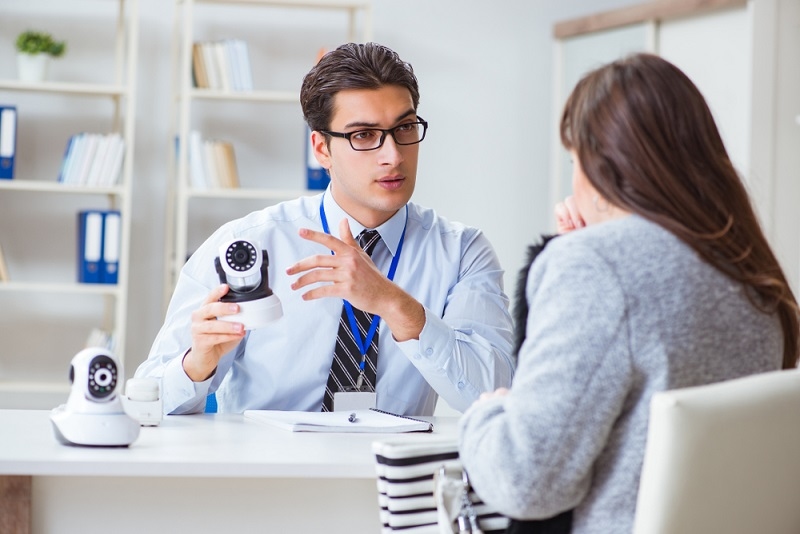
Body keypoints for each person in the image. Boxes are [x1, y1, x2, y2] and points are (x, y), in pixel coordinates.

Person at [458, 52, 800, 534]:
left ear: (603, 170)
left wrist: (486, 413)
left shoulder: (592, 266)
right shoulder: (750, 268)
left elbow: (525, 483)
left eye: (575, 161)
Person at [137, 42, 515, 416]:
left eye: (404, 127)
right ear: (321, 149)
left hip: (391, 458)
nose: (394, 155)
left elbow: (496, 396)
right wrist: (197, 365)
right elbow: (147, 404)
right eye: (363, 135)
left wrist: (394, 304)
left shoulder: (462, 252)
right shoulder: (247, 244)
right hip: (267, 457)